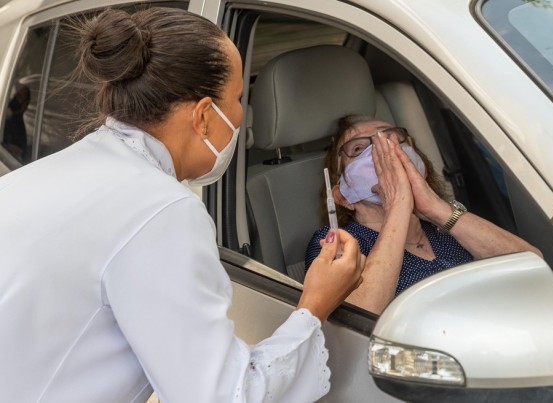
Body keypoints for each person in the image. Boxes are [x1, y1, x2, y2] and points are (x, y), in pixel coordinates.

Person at [0, 8, 364, 403]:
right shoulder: (160, 210)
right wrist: (314, 307)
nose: (243, 113)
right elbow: (224, 396)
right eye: (239, 97)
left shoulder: (53, 172)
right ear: (205, 116)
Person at [305, 114, 541, 315]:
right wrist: (398, 204)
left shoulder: (448, 226)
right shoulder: (335, 242)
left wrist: (436, 209)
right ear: (343, 196)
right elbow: (356, 321)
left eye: (392, 138)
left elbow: (534, 269)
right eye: (358, 149)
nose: (382, 149)